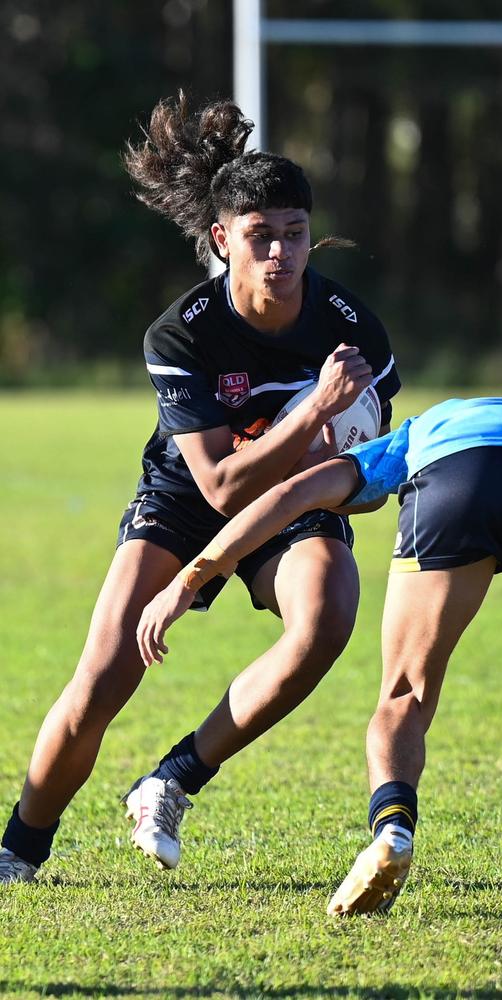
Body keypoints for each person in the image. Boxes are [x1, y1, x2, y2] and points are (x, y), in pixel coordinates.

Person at [0, 93, 399, 883]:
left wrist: (347, 477)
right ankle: (18, 847)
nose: (281, 254)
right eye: (260, 238)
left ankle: (173, 779)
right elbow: (219, 484)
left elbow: (372, 480)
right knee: (104, 675)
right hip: (185, 501)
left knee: (327, 617)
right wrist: (314, 409)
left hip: (296, 500)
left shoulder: (355, 329)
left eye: (295, 234)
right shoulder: (181, 332)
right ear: (222, 241)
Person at [135, 381, 502, 915]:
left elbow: (292, 495)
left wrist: (189, 581)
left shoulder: (429, 426)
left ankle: (394, 832)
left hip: (457, 475)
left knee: (405, 696)